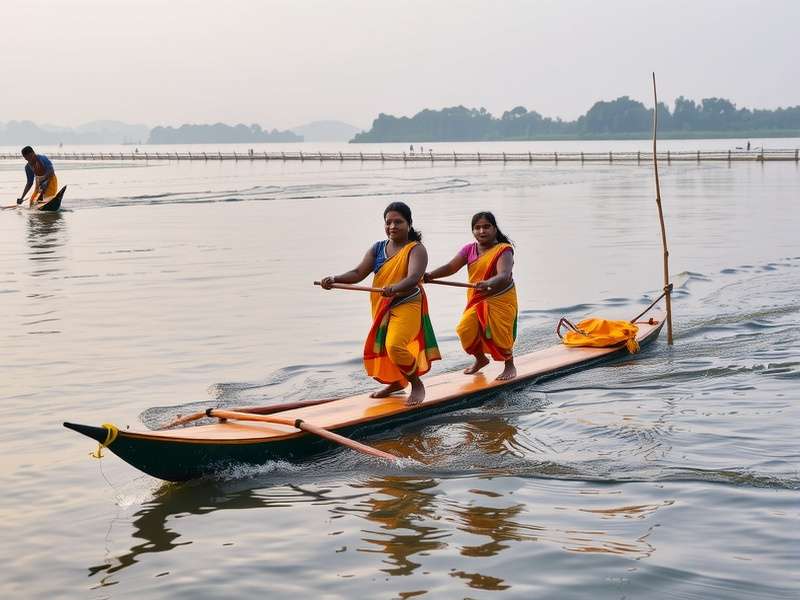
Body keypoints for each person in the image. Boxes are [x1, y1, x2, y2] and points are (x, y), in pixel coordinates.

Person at [320, 202, 440, 405]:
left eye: (398, 222)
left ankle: (416, 383)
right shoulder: (377, 248)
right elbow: (358, 273)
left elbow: (413, 278)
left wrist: (395, 287)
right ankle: (396, 383)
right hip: (383, 304)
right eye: (388, 222)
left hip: (407, 302)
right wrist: (334, 279)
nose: (392, 226)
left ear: (409, 224)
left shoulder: (416, 249)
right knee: (384, 346)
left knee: (394, 345)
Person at [425, 211, 517, 380]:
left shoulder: (504, 250)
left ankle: (509, 365)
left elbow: (504, 275)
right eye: (477, 228)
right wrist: (430, 275)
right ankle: (481, 359)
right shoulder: (469, 249)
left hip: (500, 297)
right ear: (473, 231)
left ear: (495, 229)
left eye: (487, 227)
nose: (482, 231)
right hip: (477, 299)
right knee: (465, 329)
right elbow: (451, 267)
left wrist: (489, 283)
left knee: (500, 333)